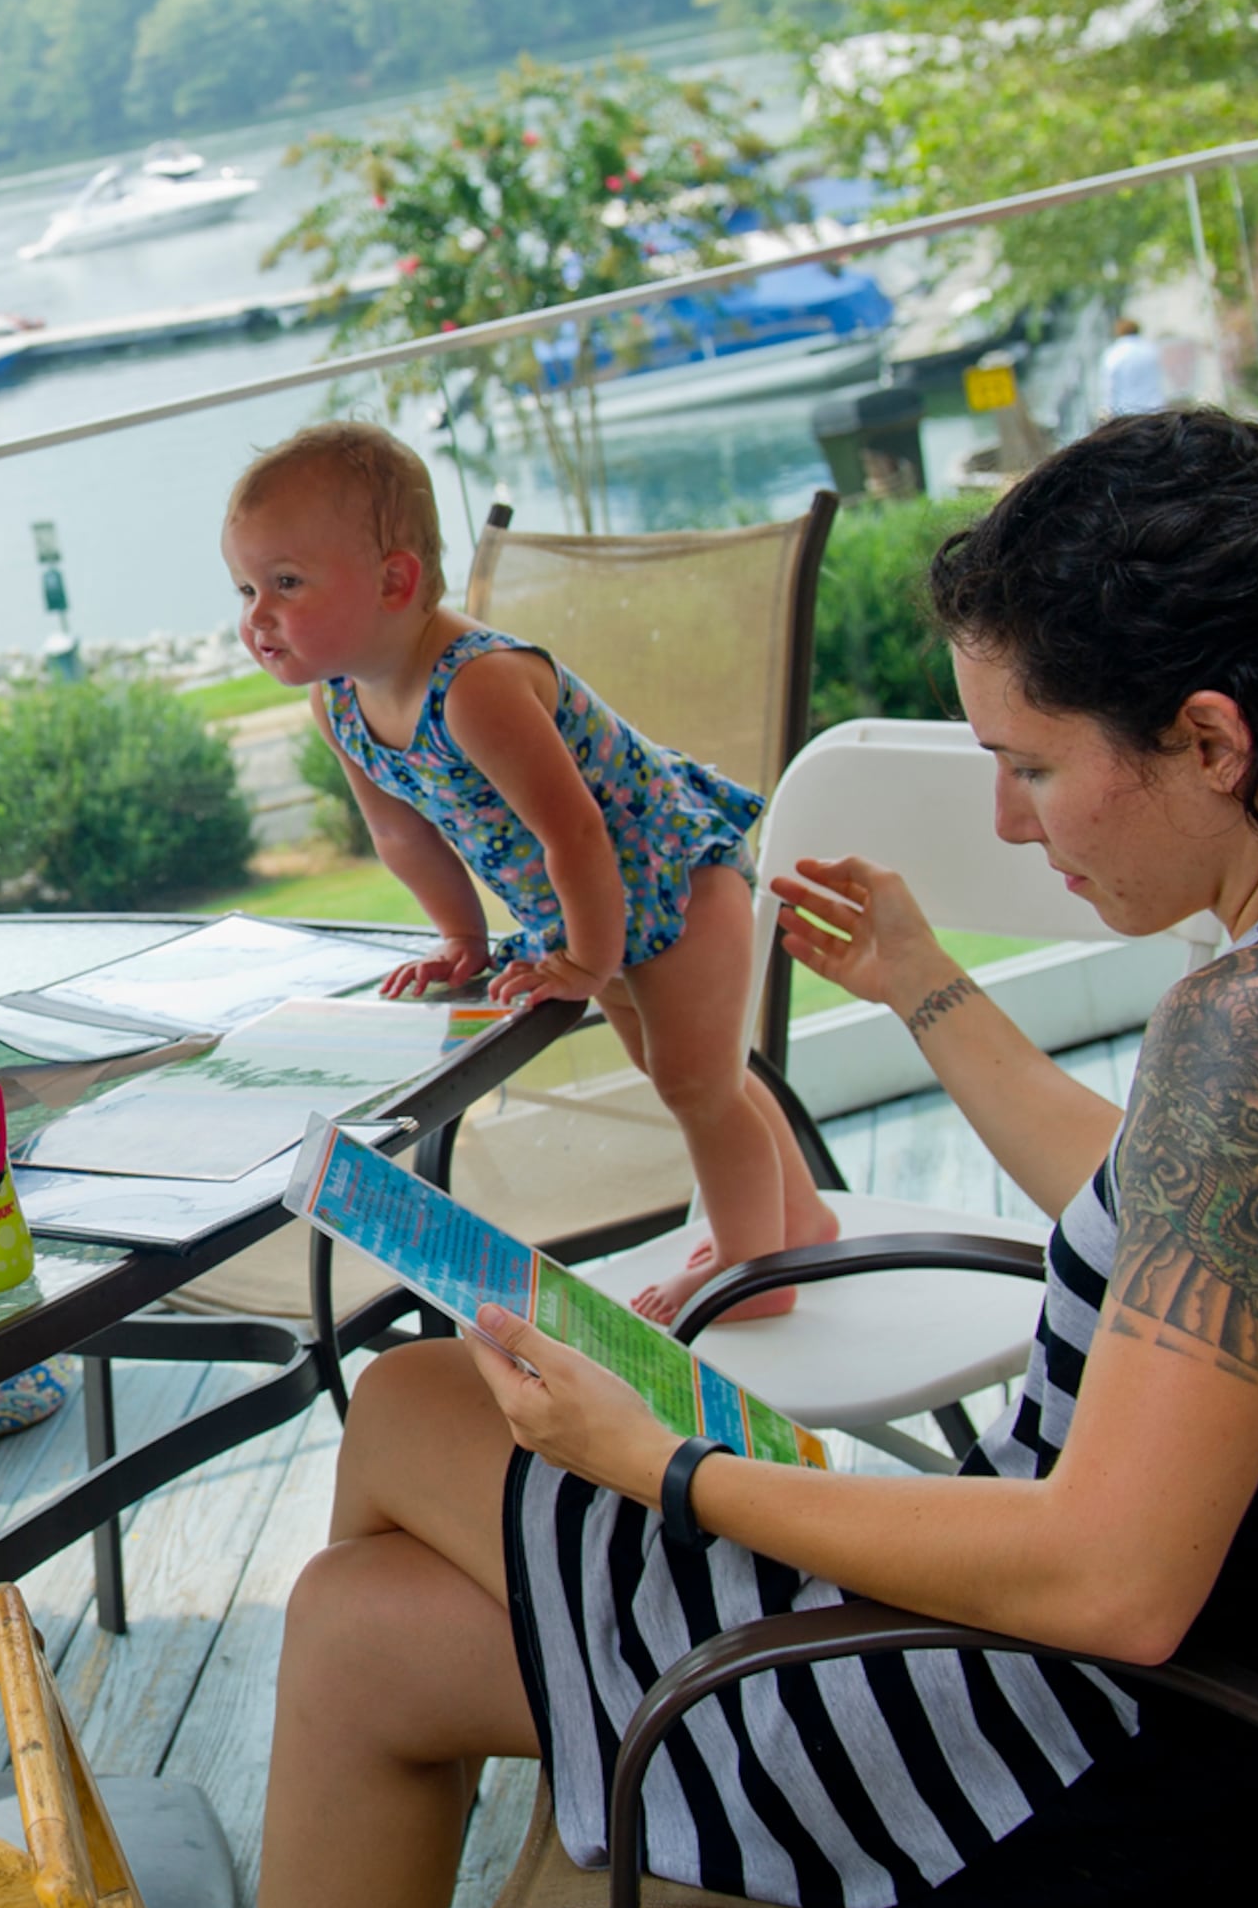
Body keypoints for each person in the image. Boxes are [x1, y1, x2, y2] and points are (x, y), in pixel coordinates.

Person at [254, 409, 1258, 1908]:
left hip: (1066, 1760)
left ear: (1212, 739)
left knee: (396, 1503)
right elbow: (1189, 1229)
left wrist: (662, 1462)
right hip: (1112, 1682)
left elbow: (1114, 1577)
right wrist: (925, 986)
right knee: (380, 1556)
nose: (1012, 816)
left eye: (1031, 763)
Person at [221, 421, 834, 1321]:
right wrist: (460, 938)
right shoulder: (341, 699)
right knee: (701, 1078)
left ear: (395, 580)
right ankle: (802, 1220)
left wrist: (588, 961)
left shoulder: (476, 684)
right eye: (245, 587)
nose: (256, 615)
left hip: (676, 881)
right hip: (589, 916)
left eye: (286, 583)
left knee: (697, 1083)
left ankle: (754, 1269)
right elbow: (403, 836)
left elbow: (576, 832)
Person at [1100, 313, 1169, 417]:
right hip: (1154, 408)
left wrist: (1107, 409)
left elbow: (1109, 386)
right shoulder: (1151, 349)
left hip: (1126, 412)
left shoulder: (1114, 354)